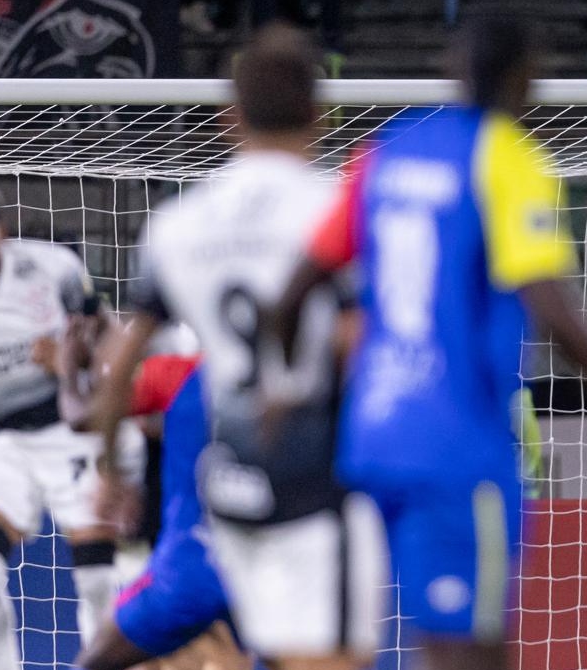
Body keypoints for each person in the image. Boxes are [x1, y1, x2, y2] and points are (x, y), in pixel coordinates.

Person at [273, 13, 587, 670]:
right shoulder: (506, 154)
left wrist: (291, 394)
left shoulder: (384, 151)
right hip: (458, 448)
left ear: (453, 69)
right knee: (471, 650)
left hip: (367, 443)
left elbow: (296, 288)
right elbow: (549, 303)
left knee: (347, 643)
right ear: (528, 76)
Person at [92, 22, 386, 670]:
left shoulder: (178, 224)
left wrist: (110, 472)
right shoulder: (340, 208)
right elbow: (359, 338)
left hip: (228, 485)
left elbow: (120, 365)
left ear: (229, 119)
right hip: (319, 481)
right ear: (320, 114)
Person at [0, 177, 143, 670]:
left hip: (70, 433)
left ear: (1, 231)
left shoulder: (52, 268)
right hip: (3, 438)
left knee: (99, 581)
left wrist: (71, 360)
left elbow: (109, 338)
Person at [77, 348, 248, 670]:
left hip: (192, 563)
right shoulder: (310, 380)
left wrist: (70, 363)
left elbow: (86, 411)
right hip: (268, 566)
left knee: (96, 660)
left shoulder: (183, 374)